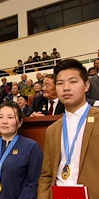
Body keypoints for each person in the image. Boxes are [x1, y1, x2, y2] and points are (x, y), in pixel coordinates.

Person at [38, 59, 99, 199]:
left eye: (73, 81)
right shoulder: (52, 129)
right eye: (60, 83)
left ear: (86, 85)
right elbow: (46, 174)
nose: (66, 88)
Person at [0, 101, 43, 199]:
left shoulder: (31, 147)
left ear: (19, 122)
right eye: (0, 117)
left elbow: (34, 182)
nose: (4, 121)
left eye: (10, 117)